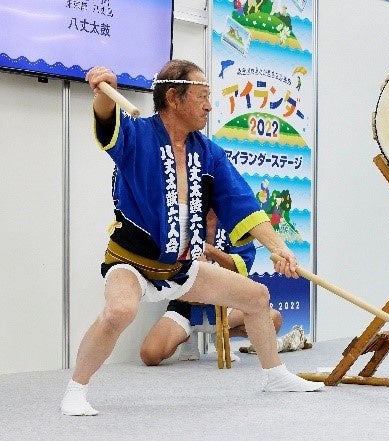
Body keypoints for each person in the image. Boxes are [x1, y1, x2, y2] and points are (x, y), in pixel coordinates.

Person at [61, 60, 323, 416]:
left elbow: (242, 204)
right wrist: (103, 90)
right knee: (119, 311)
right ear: (174, 97)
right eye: (202, 97)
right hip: (132, 261)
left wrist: (280, 248)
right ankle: (76, 390)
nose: (209, 106)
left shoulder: (209, 153)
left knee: (257, 297)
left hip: (183, 266)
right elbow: (107, 117)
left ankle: (275, 375)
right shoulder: (137, 136)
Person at [140, 211, 306, 366]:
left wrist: (211, 251)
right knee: (150, 354)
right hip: (186, 305)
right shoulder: (181, 217)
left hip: (224, 304)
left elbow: (241, 269)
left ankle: (222, 333)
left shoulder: (236, 221)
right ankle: (187, 336)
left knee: (272, 319)